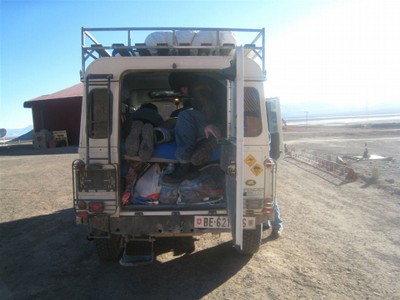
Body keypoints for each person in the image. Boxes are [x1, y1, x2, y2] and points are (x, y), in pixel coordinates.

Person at [162, 74, 226, 183]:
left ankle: (184, 166)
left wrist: (210, 124)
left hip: (220, 124)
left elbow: (208, 106)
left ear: (183, 86)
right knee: (182, 123)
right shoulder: (204, 83)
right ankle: (161, 135)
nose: (182, 92)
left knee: (184, 116)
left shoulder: (198, 87)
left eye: (181, 89)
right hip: (223, 122)